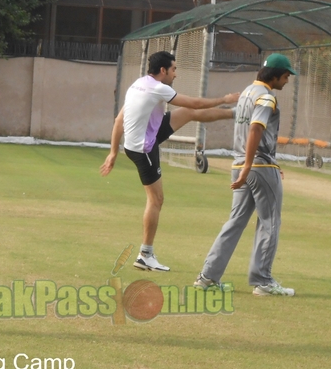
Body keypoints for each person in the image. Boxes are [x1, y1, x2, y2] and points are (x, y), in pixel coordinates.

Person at [100, 50, 239, 272]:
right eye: (174, 69)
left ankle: (237, 114)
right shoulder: (158, 88)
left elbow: (119, 120)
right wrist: (224, 98)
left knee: (187, 113)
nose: (176, 74)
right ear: (163, 70)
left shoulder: (138, 84)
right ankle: (145, 254)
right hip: (144, 148)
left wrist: (113, 153)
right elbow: (196, 102)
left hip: (146, 135)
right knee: (156, 200)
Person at [195, 53, 297, 296]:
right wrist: (252, 165)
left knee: (235, 221)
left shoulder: (246, 93)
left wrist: (246, 166)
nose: (287, 80)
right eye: (285, 76)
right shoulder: (266, 97)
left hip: (239, 164)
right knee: (269, 222)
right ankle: (263, 281)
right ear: (274, 76)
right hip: (257, 167)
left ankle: (208, 276)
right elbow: (255, 129)